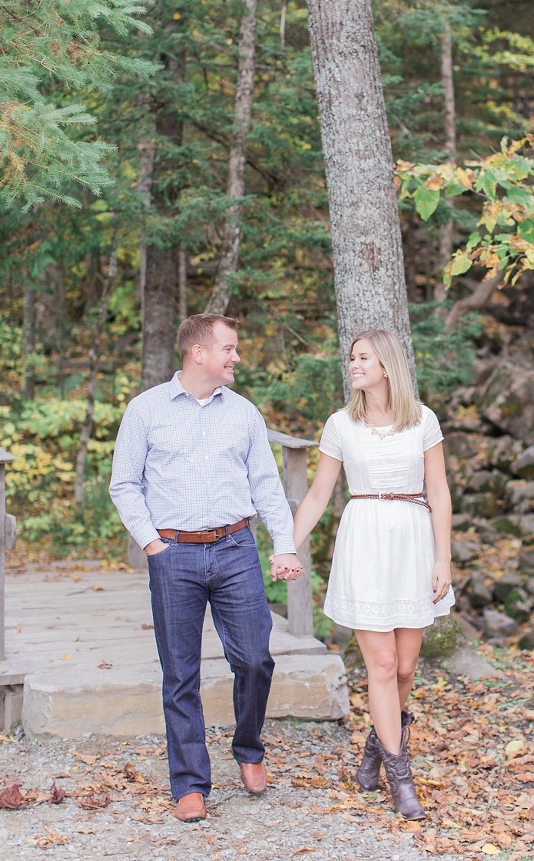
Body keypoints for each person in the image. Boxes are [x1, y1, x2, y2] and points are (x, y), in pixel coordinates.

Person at [110, 313, 303, 824]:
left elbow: (266, 484)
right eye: (229, 348)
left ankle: (248, 746)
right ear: (198, 352)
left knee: (255, 659)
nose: (236, 357)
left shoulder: (243, 413)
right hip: (173, 552)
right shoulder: (146, 410)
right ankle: (190, 783)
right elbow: (124, 484)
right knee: (180, 672)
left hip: (235, 547)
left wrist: (284, 545)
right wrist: (152, 544)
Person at [289, 328, 454, 820]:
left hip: (412, 543)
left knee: (405, 668)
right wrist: (286, 544)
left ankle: (375, 747)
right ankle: (401, 778)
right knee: (381, 667)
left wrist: (442, 557)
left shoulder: (422, 420)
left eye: (363, 357)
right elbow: (318, 494)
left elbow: (440, 492)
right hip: (364, 543)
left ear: (386, 365)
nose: (354, 365)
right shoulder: (341, 424)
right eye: (352, 357)